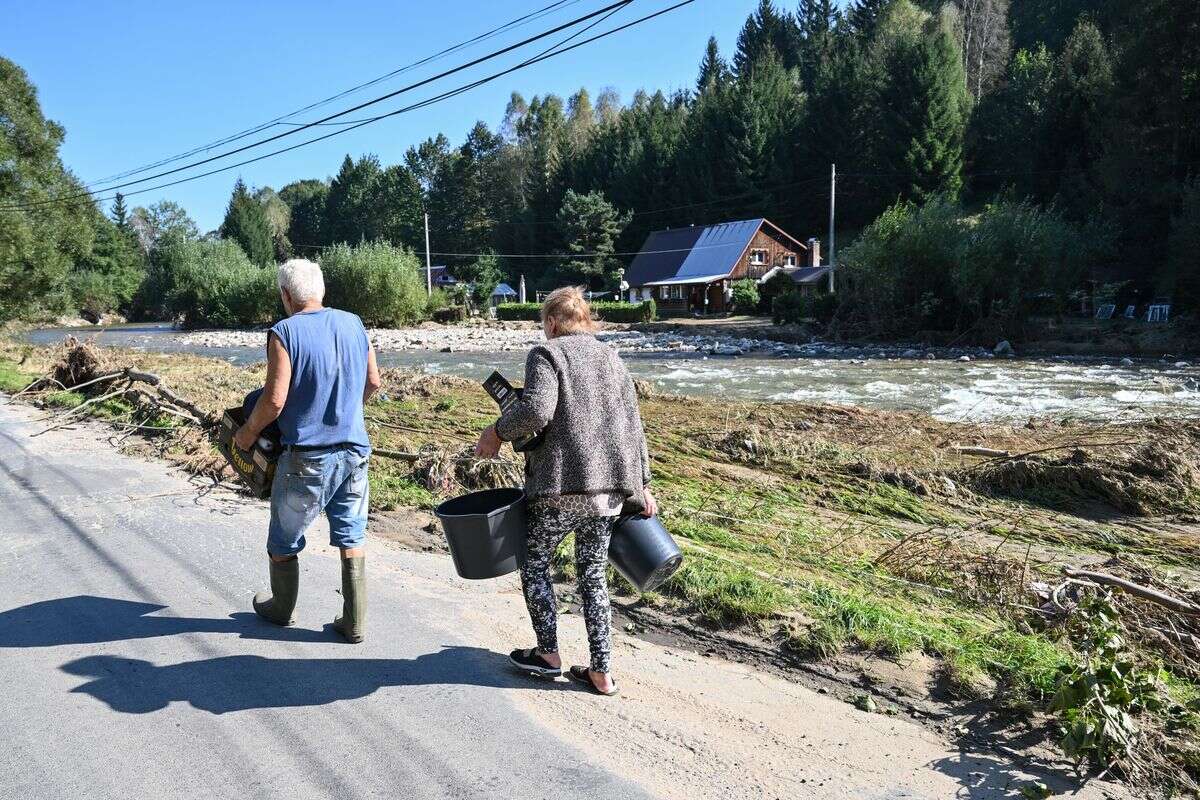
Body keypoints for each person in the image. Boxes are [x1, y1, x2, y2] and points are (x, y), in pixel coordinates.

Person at [475, 286, 657, 696]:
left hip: (561, 486)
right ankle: (601, 672)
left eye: (545, 324)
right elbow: (634, 423)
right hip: (610, 489)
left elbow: (538, 409)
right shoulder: (612, 357)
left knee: (535, 561)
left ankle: (548, 653)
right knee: (592, 576)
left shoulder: (549, 355)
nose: (545, 331)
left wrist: (497, 432)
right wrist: (643, 484)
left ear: (553, 323)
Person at [234, 258, 382, 643]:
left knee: (283, 537)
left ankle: (280, 609)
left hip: (307, 457)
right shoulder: (354, 323)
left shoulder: (283, 332)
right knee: (351, 534)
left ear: (286, 295)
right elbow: (374, 381)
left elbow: (275, 401)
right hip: (354, 451)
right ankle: (355, 622)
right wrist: (347, 412)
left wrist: (248, 434)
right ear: (322, 290)